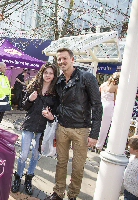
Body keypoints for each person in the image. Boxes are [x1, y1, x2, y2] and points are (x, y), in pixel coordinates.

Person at [46, 48, 102, 200]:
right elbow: (57, 102)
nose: (61, 62)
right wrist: (53, 115)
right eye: (59, 59)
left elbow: (97, 106)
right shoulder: (59, 81)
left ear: (72, 59)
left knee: (78, 167)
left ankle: (72, 195)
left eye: (64, 58)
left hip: (81, 130)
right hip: (62, 128)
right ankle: (58, 192)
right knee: (61, 163)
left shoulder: (86, 78)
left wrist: (94, 134)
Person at [11, 63, 59, 195]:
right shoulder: (33, 87)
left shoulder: (55, 93)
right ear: (42, 73)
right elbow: (24, 106)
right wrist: (30, 100)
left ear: (54, 75)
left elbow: (55, 113)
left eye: (51, 73)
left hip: (43, 129)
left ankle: (28, 179)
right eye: (46, 72)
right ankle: (17, 177)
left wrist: (50, 116)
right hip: (29, 124)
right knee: (24, 154)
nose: (48, 75)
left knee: (36, 155)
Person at [95, 72, 120, 153]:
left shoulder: (103, 84)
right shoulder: (116, 87)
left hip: (101, 104)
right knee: (104, 127)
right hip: (109, 106)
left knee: (97, 124)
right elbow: (116, 100)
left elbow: (97, 93)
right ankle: (99, 145)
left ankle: (94, 142)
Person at [123, 135, 138, 200]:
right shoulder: (132, 157)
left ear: (136, 150)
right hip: (127, 189)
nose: (128, 148)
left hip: (134, 194)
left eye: (130, 147)